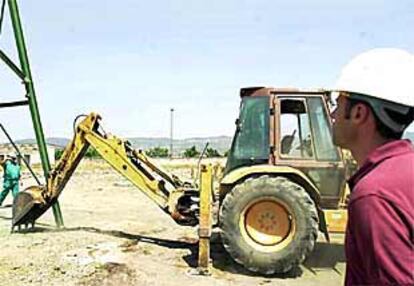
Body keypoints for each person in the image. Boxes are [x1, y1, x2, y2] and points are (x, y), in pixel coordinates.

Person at [330, 48, 414, 285]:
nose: (333, 114)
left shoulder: (374, 195)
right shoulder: (407, 169)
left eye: (338, 104)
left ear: (358, 113)